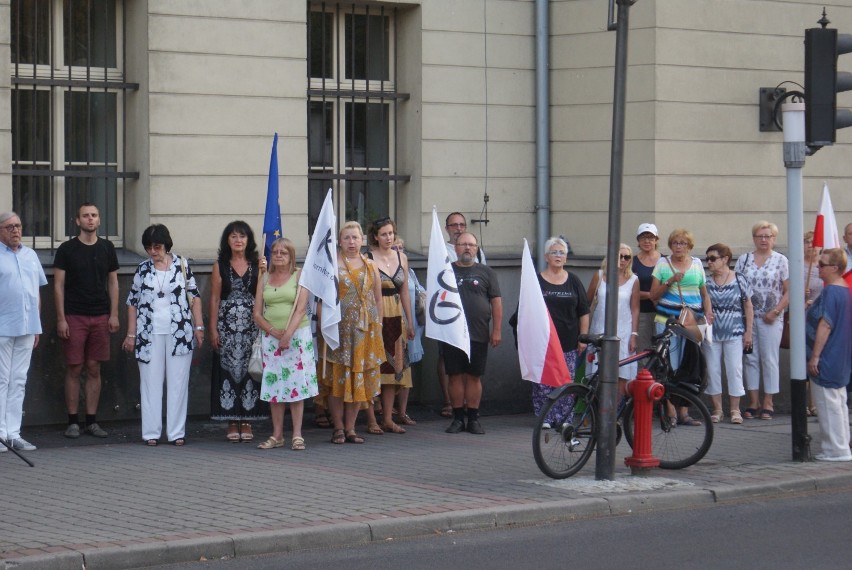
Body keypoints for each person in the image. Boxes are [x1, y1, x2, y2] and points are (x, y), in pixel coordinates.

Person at [123, 224, 204, 446]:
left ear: (166, 245)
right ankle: (151, 432)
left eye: (157, 247)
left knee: (178, 383)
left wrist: (199, 327)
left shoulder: (182, 265)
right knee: (150, 383)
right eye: (148, 247)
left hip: (179, 332)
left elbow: (195, 297)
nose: (152, 251)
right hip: (148, 334)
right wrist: (131, 335)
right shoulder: (142, 269)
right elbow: (132, 303)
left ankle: (176, 432)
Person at [54, 203, 119, 439]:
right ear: (77, 220)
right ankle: (73, 421)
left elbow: (113, 282)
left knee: (94, 367)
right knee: (74, 367)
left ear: (99, 220)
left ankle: (91, 421)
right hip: (74, 315)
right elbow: (58, 286)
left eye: (94, 215)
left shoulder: (107, 248)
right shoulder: (67, 249)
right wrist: (61, 319)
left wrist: (114, 314)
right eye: (85, 216)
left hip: (100, 315)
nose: (90, 219)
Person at [319, 221, 384, 445]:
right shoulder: (333, 265)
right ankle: (338, 427)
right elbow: (323, 299)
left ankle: (351, 428)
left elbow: (377, 299)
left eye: (355, 237)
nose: (351, 242)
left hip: (364, 332)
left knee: (359, 379)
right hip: (339, 332)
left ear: (362, 239)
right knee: (338, 380)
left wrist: (379, 327)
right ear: (339, 241)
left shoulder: (370, 266)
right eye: (346, 238)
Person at [253, 237, 318, 451]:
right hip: (271, 338)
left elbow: (301, 309)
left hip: (296, 337)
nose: (279, 255)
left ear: (291, 256)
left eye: (284, 252)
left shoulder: (300, 276)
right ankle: (277, 434)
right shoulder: (263, 277)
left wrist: (287, 335)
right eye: (276, 252)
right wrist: (273, 331)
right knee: (274, 386)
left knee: (296, 385)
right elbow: (257, 313)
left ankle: (297, 435)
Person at [209, 221, 269, 442]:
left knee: (250, 370)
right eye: (233, 236)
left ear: (248, 240)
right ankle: (231, 421)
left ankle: (248, 421)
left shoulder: (257, 264)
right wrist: (213, 329)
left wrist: (266, 270)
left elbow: (266, 293)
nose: (238, 240)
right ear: (227, 240)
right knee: (228, 371)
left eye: (242, 236)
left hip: (252, 327)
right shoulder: (220, 264)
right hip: (227, 328)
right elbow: (215, 298)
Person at [650, 228, 713, 426]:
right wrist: (670, 280)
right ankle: (671, 412)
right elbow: (653, 295)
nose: (679, 247)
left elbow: (704, 294)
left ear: (689, 246)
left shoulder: (696, 264)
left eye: (683, 243)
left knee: (688, 365)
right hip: (667, 322)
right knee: (670, 365)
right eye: (675, 243)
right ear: (670, 245)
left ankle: (684, 411)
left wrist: (708, 313)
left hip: (691, 323)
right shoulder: (662, 264)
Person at [442, 232, 502, 435]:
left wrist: (496, 330)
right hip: (451, 333)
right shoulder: (446, 271)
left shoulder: (486, 272)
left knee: (474, 376)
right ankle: (458, 418)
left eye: (471, 245)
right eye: (463, 244)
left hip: (478, 332)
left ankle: (474, 418)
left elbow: (496, 301)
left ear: (476, 249)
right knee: (455, 376)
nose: (467, 248)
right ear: (455, 248)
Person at [529, 237, 589, 426]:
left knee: (565, 379)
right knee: (543, 380)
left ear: (566, 258)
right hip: (543, 341)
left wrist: (583, 338)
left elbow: (584, 312)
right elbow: (528, 310)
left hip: (568, 340)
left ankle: (564, 417)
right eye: (554, 252)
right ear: (546, 257)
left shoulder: (573, 281)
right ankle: (544, 417)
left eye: (561, 253)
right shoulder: (537, 281)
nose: (558, 256)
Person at [0, 212, 47, 453]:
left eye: (18, 226)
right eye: (9, 227)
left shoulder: (30, 255)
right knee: (1, 380)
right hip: (3, 328)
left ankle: (13, 433)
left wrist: (36, 324)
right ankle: (0, 433)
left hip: (28, 326)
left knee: (19, 380)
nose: (15, 230)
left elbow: (35, 292)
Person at [734, 221, 789, 420]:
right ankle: (753, 401)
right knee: (750, 358)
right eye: (760, 236)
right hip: (747, 318)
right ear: (754, 238)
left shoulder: (781, 260)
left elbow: (789, 290)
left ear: (774, 239)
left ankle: (769, 401)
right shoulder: (744, 260)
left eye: (768, 236)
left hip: (771, 318)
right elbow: (737, 287)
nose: (764, 239)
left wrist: (776, 311)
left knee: (770, 359)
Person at [367, 218, 415, 434]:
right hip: (376, 316)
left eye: (391, 233)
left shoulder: (401, 257)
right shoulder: (367, 257)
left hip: (396, 315)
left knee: (392, 369)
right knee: (371, 368)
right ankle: (370, 419)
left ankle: (388, 418)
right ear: (375, 236)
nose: (388, 238)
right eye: (384, 234)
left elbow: (404, 290)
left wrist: (410, 320)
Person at [806, 248, 852, 461]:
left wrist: (815, 356)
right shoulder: (844, 290)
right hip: (839, 354)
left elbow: (826, 325)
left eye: (822, 264)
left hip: (828, 356)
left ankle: (836, 449)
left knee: (828, 403)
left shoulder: (831, 291)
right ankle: (840, 445)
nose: (818, 267)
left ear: (834, 268)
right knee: (838, 401)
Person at [702, 243, 753, 424]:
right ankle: (717, 409)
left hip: (734, 330)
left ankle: (735, 409)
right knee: (713, 369)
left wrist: (749, 332)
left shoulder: (739, 278)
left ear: (725, 259)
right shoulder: (706, 281)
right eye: (707, 259)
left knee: (734, 369)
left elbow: (748, 305)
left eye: (713, 258)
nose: (709, 262)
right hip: (712, 332)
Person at [587, 243, 639, 396]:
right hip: (600, 328)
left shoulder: (633, 280)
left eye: (626, 257)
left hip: (623, 330)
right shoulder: (600, 275)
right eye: (619, 256)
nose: (622, 260)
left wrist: (634, 334)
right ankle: (596, 411)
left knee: (622, 371)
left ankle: (616, 414)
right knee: (597, 372)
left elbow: (635, 308)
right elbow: (587, 301)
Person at [632, 223, 662, 353]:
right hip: (642, 312)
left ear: (656, 240)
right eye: (643, 237)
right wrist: (652, 295)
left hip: (663, 311)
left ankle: (661, 374)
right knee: (643, 350)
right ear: (638, 240)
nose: (647, 241)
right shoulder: (631, 262)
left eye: (650, 237)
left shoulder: (666, 261)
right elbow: (628, 290)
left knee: (662, 349)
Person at [803, 231, 823, 417]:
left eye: (813, 242)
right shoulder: (799, 266)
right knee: (803, 361)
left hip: (820, 320)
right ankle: (803, 402)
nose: (810, 245)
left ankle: (815, 403)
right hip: (803, 318)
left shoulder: (823, 266)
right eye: (807, 242)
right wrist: (803, 297)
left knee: (816, 361)